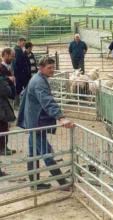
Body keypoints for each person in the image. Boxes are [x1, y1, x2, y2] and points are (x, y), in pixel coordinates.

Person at [17, 56, 74, 190]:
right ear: (41, 68)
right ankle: (62, 183)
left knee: (33, 154)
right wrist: (61, 117)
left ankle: (34, 183)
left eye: (53, 67)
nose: (52, 70)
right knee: (47, 153)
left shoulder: (37, 79)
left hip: (33, 122)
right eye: (49, 68)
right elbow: (47, 101)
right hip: (37, 124)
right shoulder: (39, 82)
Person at [0, 48, 16, 156]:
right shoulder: (2, 69)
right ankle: (2, 148)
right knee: (3, 125)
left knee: (5, 125)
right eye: (11, 55)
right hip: (2, 102)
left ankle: (4, 146)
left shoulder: (7, 67)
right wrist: (8, 80)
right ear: (5, 54)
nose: (13, 58)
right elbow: (4, 89)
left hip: (5, 100)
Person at [12, 37, 30, 105]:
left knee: (20, 88)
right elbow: (16, 62)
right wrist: (19, 73)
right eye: (23, 43)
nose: (24, 44)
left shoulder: (20, 49)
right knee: (19, 88)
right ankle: (17, 103)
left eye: (24, 43)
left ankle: (20, 103)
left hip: (21, 73)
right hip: (20, 73)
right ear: (19, 41)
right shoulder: (17, 50)